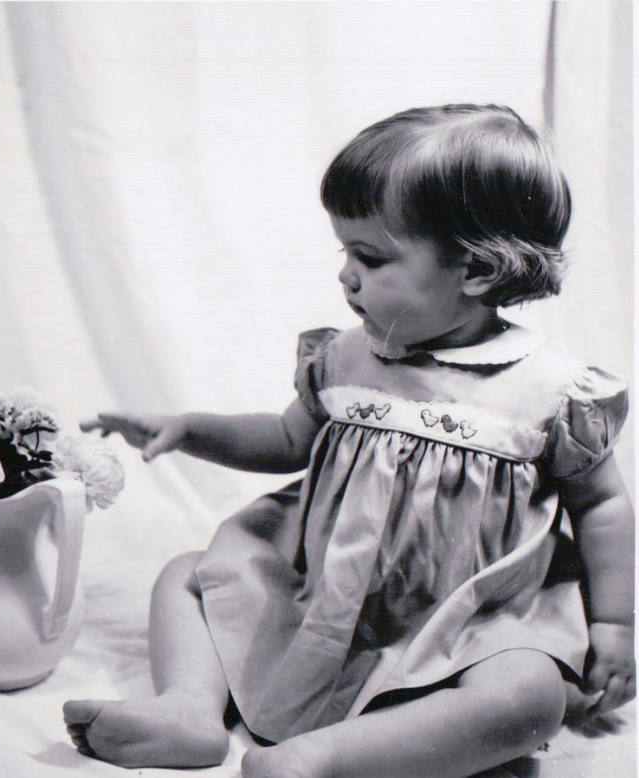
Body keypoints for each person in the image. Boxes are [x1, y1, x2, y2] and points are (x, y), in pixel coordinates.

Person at [63, 104, 635, 778]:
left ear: (475, 271)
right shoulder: (345, 358)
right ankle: (189, 708)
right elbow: (283, 439)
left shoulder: (549, 393)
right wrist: (192, 430)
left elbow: (600, 506)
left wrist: (615, 624)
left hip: (470, 624)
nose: (345, 276)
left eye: (369, 256)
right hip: (321, 599)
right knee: (187, 575)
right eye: (345, 252)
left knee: (528, 699)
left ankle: (330, 758)